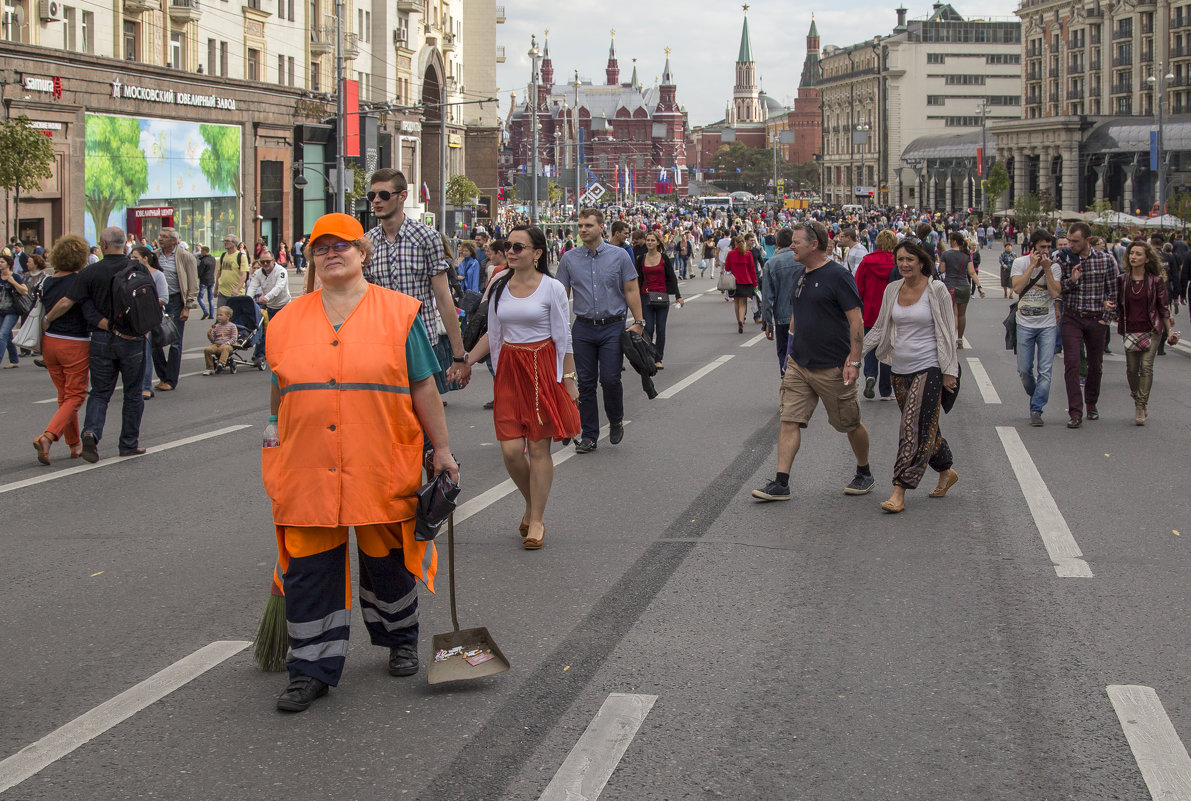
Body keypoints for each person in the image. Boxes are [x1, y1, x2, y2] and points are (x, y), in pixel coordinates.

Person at [263, 212, 456, 713]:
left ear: (362, 253)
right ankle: (310, 668)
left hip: (378, 460)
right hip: (306, 467)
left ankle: (400, 639)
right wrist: (272, 452)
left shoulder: (400, 313)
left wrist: (442, 449)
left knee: (385, 559)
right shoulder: (284, 321)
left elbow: (423, 386)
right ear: (311, 258)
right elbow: (277, 397)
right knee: (309, 568)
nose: (332, 252)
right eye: (321, 246)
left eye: (342, 244)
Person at [463, 226, 580, 550]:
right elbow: (493, 333)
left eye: (518, 247)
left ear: (537, 253)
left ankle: (537, 519)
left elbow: (563, 337)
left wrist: (568, 381)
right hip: (510, 371)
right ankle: (532, 502)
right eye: (508, 246)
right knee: (512, 451)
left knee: (539, 448)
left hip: (543, 369)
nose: (511, 251)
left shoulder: (552, 288)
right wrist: (467, 360)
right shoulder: (500, 285)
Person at [752, 221, 875, 502]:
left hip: (832, 365)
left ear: (814, 244)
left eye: (797, 242)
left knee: (849, 423)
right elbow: (797, 314)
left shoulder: (837, 276)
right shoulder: (801, 274)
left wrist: (854, 362)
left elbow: (856, 320)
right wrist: (790, 353)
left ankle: (864, 471)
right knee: (789, 419)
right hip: (799, 364)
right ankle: (781, 482)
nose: (791, 246)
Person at [862, 240, 960, 513]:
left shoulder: (936, 289)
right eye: (901, 259)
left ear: (922, 262)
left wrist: (950, 371)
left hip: (929, 367)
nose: (904, 264)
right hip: (899, 370)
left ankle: (899, 489)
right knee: (924, 426)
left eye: (910, 260)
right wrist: (855, 354)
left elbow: (949, 332)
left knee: (911, 429)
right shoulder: (892, 289)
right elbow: (880, 329)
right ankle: (946, 470)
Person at [41, 226, 147, 461]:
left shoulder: (91, 273)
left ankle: (91, 433)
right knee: (133, 394)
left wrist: (106, 325)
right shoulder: (138, 268)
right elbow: (147, 305)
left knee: (99, 392)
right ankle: (129, 443)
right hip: (132, 339)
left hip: (101, 339)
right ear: (124, 245)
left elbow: (79, 304)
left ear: (103, 245)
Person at [363, 168, 471, 391]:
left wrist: (458, 355)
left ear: (402, 196)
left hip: (421, 344)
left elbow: (443, 297)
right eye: (371, 195)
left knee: (422, 419)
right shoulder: (367, 242)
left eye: (383, 195)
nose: (376, 201)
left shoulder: (426, 237)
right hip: (381, 345)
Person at [555, 208, 645, 454]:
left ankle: (616, 419)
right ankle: (589, 435)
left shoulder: (619, 256)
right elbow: (561, 296)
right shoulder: (569, 259)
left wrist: (639, 321)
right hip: (583, 327)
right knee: (585, 382)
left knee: (610, 378)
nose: (583, 229)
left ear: (601, 228)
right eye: (581, 225)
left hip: (612, 326)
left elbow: (631, 289)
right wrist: (556, 328)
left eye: (588, 225)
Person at [32, 236, 92, 463]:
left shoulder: (46, 281)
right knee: (76, 394)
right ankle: (48, 436)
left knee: (64, 395)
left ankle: (74, 444)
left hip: (50, 342)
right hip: (74, 341)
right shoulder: (81, 280)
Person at [1057, 221, 1118, 429]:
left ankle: (1091, 402)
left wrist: (1106, 318)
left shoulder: (1106, 260)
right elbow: (1057, 289)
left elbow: (1113, 291)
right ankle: (1075, 411)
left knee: (1096, 365)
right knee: (1072, 364)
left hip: (1095, 319)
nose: (1070, 245)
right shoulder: (1064, 259)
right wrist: (1072, 280)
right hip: (1072, 316)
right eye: (1069, 240)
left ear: (1087, 240)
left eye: (1075, 241)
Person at [1117, 241, 1180, 425]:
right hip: (1131, 330)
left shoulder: (1156, 280)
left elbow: (1162, 307)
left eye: (1138, 254)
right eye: (1131, 253)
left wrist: (1170, 331)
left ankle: (1140, 405)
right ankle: (1138, 397)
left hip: (1152, 329)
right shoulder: (1122, 280)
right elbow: (1118, 305)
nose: (1133, 257)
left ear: (1146, 258)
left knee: (1146, 367)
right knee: (1131, 370)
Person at [1010, 229, 1062, 427]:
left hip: (1047, 324)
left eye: (1049, 247)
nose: (1046, 251)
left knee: (1045, 370)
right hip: (1024, 323)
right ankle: (1036, 393)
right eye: (1042, 247)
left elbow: (1056, 292)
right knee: (1024, 369)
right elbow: (1017, 288)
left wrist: (1047, 269)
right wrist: (1032, 265)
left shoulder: (1054, 267)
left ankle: (1037, 409)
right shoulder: (1020, 263)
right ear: (1033, 247)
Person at [148, 227, 198, 392]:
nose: (160, 239)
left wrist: (187, 307)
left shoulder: (185, 257)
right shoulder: (154, 255)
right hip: (157, 302)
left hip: (176, 301)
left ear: (174, 240)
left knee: (175, 342)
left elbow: (192, 284)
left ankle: (170, 380)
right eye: (160, 236)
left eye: (164, 237)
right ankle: (163, 375)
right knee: (155, 341)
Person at [855, 229, 897, 400]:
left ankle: (870, 375)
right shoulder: (897, 263)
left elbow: (858, 287)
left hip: (870, 311)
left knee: (871, 345)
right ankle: (886, 390)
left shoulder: (867, 261)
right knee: (887, 348)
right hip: (890, 312)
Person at [635, 230, 684, 369]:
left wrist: (678, 296)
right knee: (648, 328)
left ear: (657, 242)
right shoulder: (641, 259)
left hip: (662, 296)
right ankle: (648, 355)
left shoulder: (663, 258)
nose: (650, 242)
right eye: (648, 240)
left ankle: (658, 358)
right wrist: (635, 298)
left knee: (661, 329)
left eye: (652, 240)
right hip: (646, 296)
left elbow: (672, 278)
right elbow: (638, 280)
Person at [130, 245, 169, 400]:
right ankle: (134, 384)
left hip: (149, 318)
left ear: (145, 258)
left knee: (146, 352)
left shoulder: (157, 275)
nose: (132, 260)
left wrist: (144, 303)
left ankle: (146, 386)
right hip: (133, 318)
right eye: (131, 257)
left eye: (135, 257)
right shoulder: (131, 275)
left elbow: (164, 298)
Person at [761, 228, 799, 375]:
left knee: (784, 355)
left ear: (777, 243)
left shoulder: (771, 264)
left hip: (783, 319)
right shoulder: (802, 260)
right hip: (804, 317)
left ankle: (787, 382)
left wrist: (767, 323)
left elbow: (767, 297)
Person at [246, 250, 291, 367]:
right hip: (269, 307)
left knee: (283, 333)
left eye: (267, 261)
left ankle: (286, 355)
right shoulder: (259, 273)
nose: (265, 264)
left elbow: (279, 287)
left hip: (283, 306)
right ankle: (259, 355)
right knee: (263, 330)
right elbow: (252, 287)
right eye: (262, 262)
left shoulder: (281, 271)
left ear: (273, 261)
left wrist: (267, 297)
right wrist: (248, 301)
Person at [939, 232, 978, 348]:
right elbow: (971, 272)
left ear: (954, 241)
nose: (949, 242)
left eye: (950, 239)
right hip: (964, 286)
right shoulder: (967, 255)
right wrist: (979, 286)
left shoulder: (946, 254)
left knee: (952, 314)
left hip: (950, 286)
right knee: (962, 314)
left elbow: (941, 270)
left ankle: (952, 337)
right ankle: (960, 339)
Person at [0, 253, 29, 367]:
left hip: (12, 310)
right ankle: (14, 360)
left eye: (2, 262)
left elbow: (24, 291)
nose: (0, 264)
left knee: (2, 335)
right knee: (7, 335)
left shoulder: (15, 276)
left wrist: (13, 282)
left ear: (8, 264)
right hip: (1, 310)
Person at [724, 235, 757, 334]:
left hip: (734, 282)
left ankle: (738, 320)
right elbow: (752, 270)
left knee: (736, 302)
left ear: (735, 243)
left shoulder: (731, 254)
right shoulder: (748, 254)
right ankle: (741, 321)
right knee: (743, 303)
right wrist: (755, 284)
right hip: (746, 281)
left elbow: (726, 268)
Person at [202, 306, 238, 375]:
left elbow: (233, 339)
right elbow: (213, 340)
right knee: (207, 350)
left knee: (225, 348)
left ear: (228, 316)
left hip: (227, 345)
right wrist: (209, 335)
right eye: (217, 315)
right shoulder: (216, 326)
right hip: (217, 344)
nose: (218, 317)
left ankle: (221, 364)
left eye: (221, 315)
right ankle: (209, 368)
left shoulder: (232, 326)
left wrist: (225, 344)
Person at [217, 235, 250, 307]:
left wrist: (237, 289)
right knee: (221, 316)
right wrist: (216, 288)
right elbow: (219, 273)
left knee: (234, 316)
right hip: (222, 292)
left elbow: (244, 275)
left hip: (236, 294)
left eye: (227, 241)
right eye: (224, 241)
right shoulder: (223, 256)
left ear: (234, 243)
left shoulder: (241, 256)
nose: (225, 243)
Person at [197, 245, 217, 319]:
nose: (201, 252)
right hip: (211, 279)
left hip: (204, 280)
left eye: (202, 251)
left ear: (205, 251)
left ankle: (205, 311)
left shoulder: (203, 261)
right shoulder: (213, 259)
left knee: (200, 297)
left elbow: (200, 272)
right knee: (210, 298)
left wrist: (198, 276)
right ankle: (211, 314)